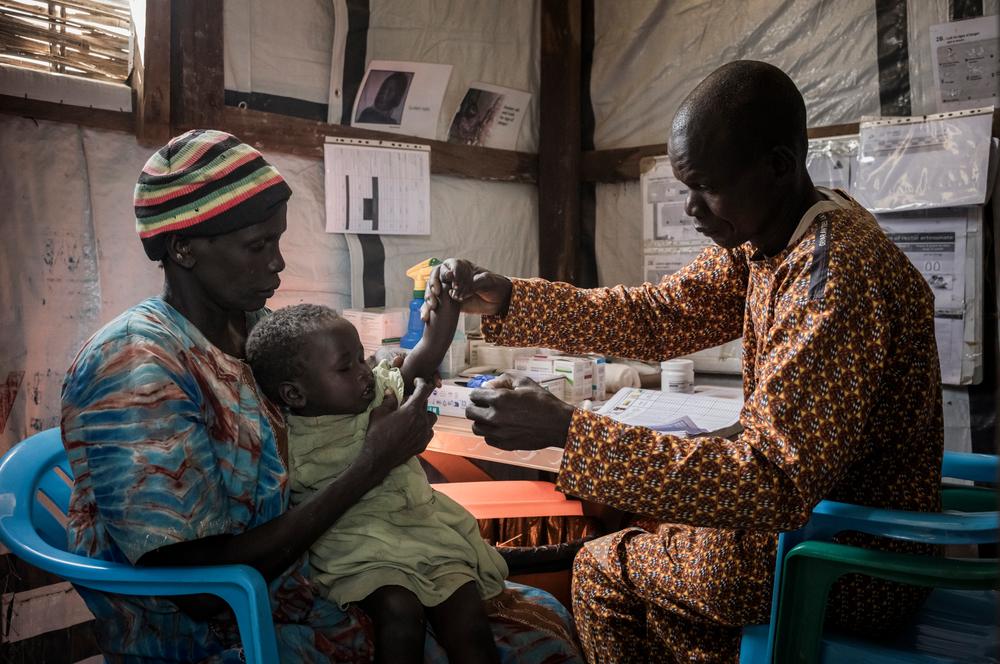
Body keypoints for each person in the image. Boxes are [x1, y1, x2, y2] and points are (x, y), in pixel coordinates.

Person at [423, 60, 942, 663]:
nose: (691, 207)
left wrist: (567, 430)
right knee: (659, 539)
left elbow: (770, 482)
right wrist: (511, 298)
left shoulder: (831, 281)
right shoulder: (773, 235)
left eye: (706, 186)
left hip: (849, 558)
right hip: (816, 524)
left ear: (778, 165)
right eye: (684, 186)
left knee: (601, 568)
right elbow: (660, 317)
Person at [61, 129, 582, 663]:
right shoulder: (137, 367)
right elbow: (199, 591)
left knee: (540, 619)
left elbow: (361, 394)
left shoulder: (254, 329)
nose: (278, 263)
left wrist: (432, 335)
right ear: (183, 248)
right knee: (531, 649)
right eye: (258, 246)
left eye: (278, 241)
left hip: (315, 584)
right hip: (223, 636)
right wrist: (372, 462)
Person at [245, 300, 508, 664]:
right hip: (359, 551)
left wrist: (447, 307)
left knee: (469, 621)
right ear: (295, 394)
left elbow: (425, 357)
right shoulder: (289, 442)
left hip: (425, 537)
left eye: (361, 358)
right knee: (399, 615)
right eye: (345, 367)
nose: (363, 373)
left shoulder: (380, 395)